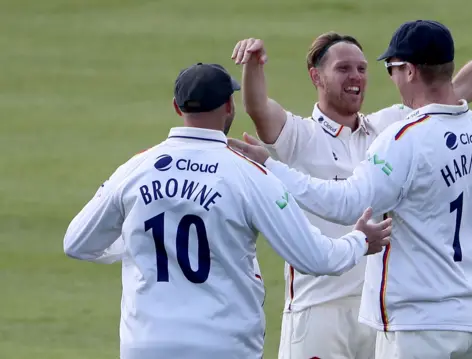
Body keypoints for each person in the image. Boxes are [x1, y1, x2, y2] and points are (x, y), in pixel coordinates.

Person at [229, 20, 472, 359]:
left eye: (383, 69)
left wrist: (269, 168)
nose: (372, 77)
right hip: (470, 317)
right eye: (345, 68)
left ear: (408, 71)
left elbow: (346, 203)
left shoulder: (398, 134)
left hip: (415, 319)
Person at [62, 63, 392, 359]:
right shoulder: (248, 174)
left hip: (145, 344)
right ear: (229, 106)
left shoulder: (137, 168)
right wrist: (360, 241)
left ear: (176, 108)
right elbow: (316, 258)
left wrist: (137, 242)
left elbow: (77, 243)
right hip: (224, 343)